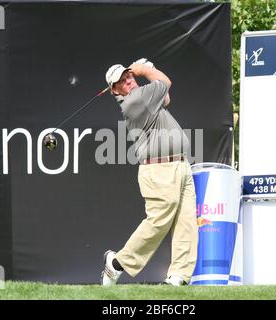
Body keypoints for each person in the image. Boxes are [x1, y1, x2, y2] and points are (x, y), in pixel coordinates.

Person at [100, 59, 198, 286]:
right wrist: (144, 69)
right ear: (115, 91)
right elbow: (166, 82)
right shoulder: (134, 101)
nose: (128, 82)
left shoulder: (145, 97)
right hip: (158, 169)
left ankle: (179, 276)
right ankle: (116, 264)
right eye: (122, 82)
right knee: (158, 222)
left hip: (180, 165)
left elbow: (166, 97)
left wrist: (145, 72)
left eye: (129, 77)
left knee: (187, 222)